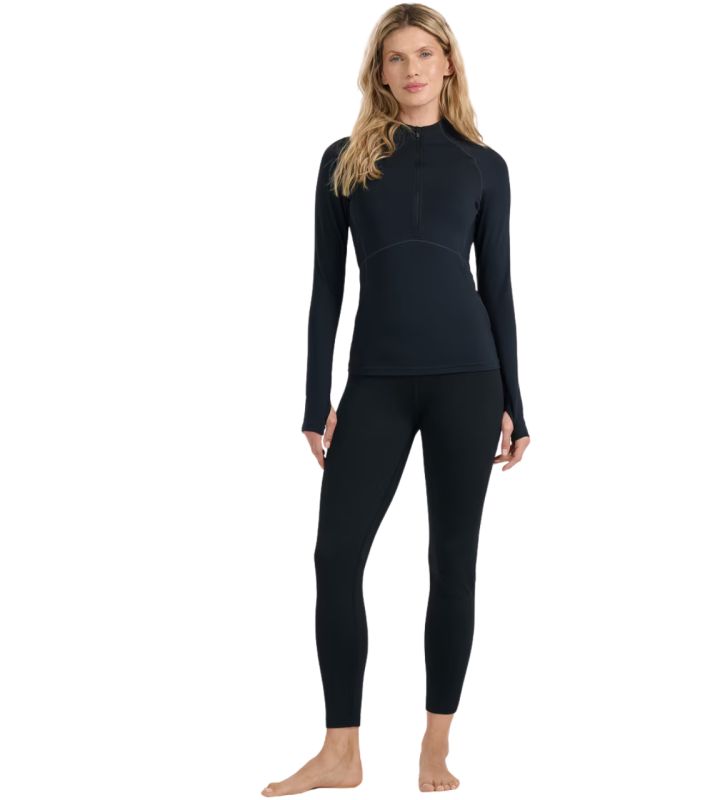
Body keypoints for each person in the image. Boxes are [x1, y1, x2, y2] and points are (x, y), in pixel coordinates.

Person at [263, 4, 531, 795]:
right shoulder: (343, 161)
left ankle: (435, 745)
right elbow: (326, 287)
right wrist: (315, 399)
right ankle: (340, 751)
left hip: (468, 381)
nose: (411, 69)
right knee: (335, 556)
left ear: (448, 63)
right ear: (378, 72)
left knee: (452, 561)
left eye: (424, 53)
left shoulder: (484, 166)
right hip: (375, 382)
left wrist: (517, 402)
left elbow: (498, 288)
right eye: (395, 57)